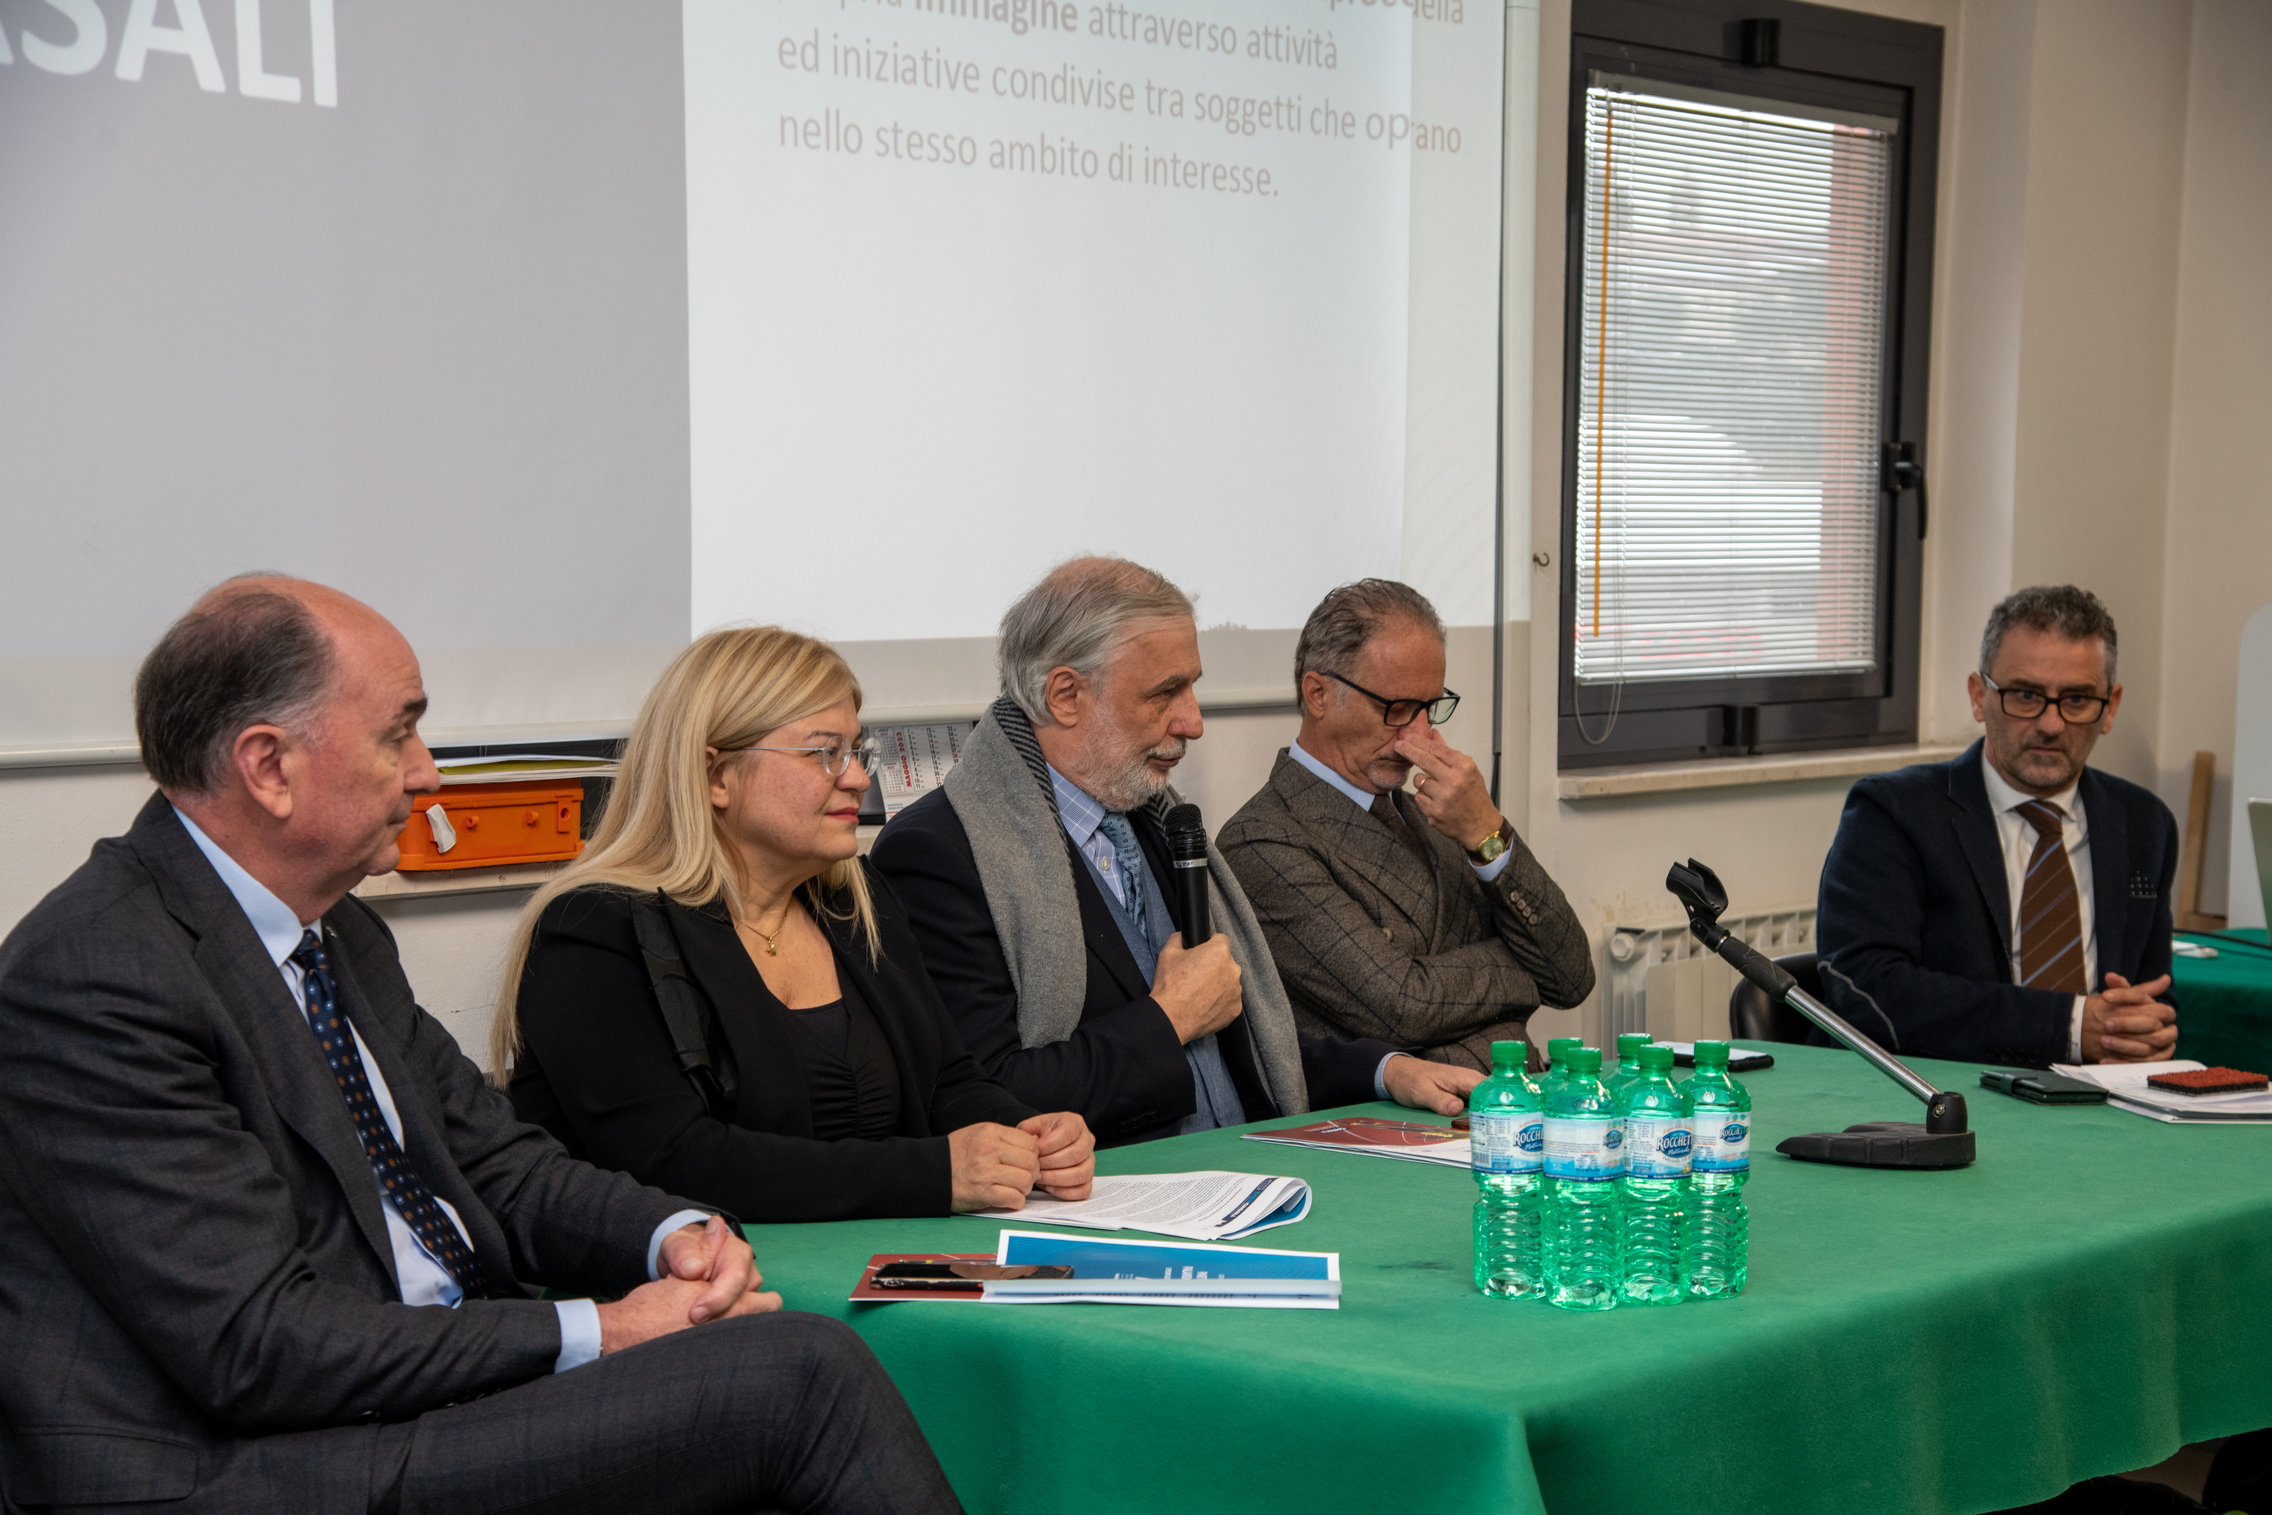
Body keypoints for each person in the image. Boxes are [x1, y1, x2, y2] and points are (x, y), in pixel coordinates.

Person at [0, 578, 962, 1514]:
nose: (428, 772)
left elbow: (502, 1165)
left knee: (767, 1369)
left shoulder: (339, 934)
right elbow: (260, 1344)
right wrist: (603, 1327)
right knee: (797, 1376)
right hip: (259, 1463)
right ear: (268, 766)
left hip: (418, 1395)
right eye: (398, 735)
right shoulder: (97, 974)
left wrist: (674, 1233)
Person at [870, 556, 1483, 1148]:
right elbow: (982, 1100)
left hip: (1245, 1170)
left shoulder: (1155, 818)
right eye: (1166, 693)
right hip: (1118, 1196)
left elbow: (1245, 1046)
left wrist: (1386, 1070)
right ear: (1065, 695)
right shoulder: (938, 854)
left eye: (1192, 688)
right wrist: (1168, 1020)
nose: (1193, 721)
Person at [498, 626, 1095, 1222]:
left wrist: (1025, 1134)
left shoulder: (856, 899)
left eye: (857, 751)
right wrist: (934, 1173)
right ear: (715, 776)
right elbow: (673, 1161)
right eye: (823, 753)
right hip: (694, 1272)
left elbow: (945, 1081)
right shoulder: (594, 930)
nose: (858, 778)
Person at [1218, 580, 1594, 1070]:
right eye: (1396, 709)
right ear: (1318, 694)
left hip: (1517, 1094)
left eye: (1430, 708)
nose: (1419, 735)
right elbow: (1404, 1006)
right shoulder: (1262, 840)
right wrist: (1526, 968)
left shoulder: (1445, 812)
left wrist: (1488, 832)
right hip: (1401, 1113)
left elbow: (1570, 975)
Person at [1816, 584, 2180, 1067]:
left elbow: (2151, 994)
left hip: (2103, 1094)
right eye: (2025, 696)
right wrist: (2067, 1028)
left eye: (2076, 699)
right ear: (1978, 696)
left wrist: (2145, 1032)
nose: (2051, 724)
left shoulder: (2144, 823)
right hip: (1939, 1092)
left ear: (2109, 708)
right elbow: (1866, 987)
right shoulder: (1893, 812)